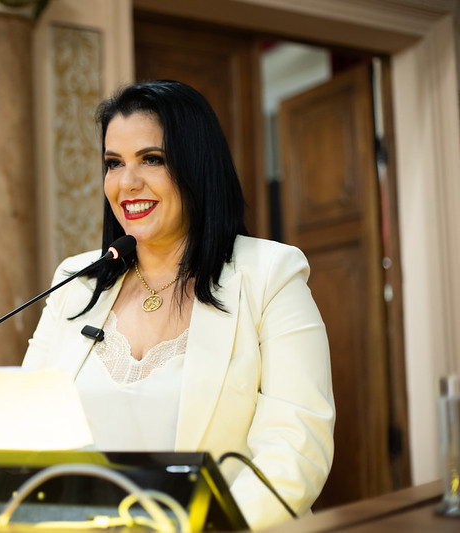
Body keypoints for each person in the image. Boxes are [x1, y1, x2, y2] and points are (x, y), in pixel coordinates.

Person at [22, 80, 335, 530]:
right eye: (114, 163)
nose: (127, 183)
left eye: (152, 159)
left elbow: (295, 451)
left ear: (197, 167)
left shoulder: (271, 275)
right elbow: (27, 431)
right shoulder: (75, 280)